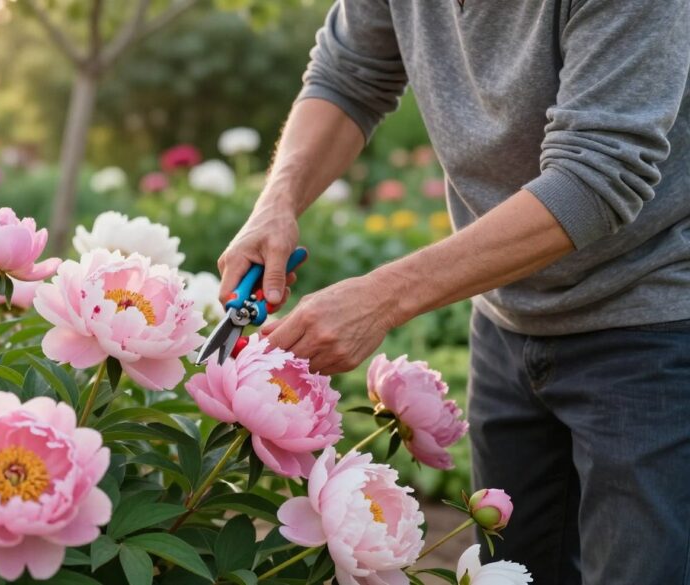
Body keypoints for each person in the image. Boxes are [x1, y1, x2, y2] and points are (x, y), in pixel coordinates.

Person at [216, 1, 690, 584]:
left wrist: (383, 297)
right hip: (505, 320)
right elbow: (347, 78)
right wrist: (276, 203)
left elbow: (597, 176)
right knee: (510, 573)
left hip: (654, 323)